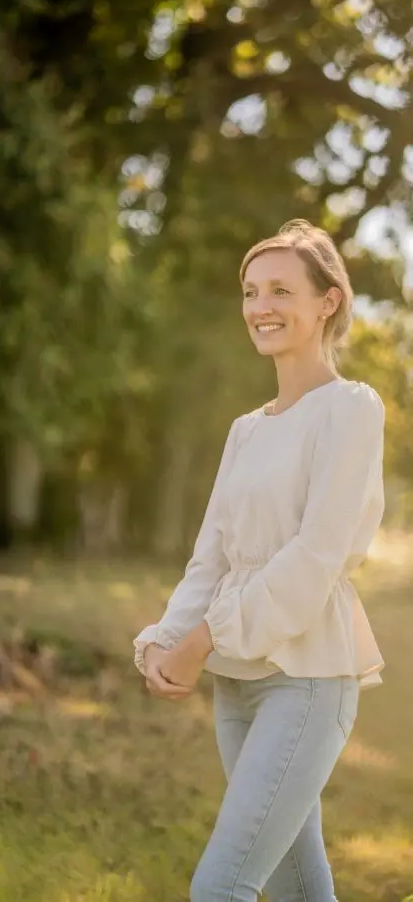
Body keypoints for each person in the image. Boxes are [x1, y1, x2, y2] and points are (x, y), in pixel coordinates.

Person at [132, 219, 386, 902]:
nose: (260, 307)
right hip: (236, 684)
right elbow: (211, 557)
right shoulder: (247, 429)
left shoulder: (351, 409)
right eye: (250, 291)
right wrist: (163, 640)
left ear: (328, 301)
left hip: (306, 679)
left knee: (219, 888)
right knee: (299, 889)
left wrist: (202, 639)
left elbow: (315, 556)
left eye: (280, 290)